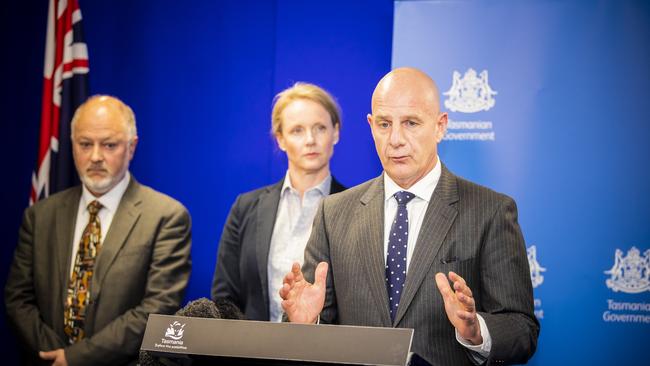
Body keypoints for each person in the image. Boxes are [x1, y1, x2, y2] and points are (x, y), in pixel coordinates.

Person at [279, 68, 539, 365]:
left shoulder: (490, 211)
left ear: (440, 126)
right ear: (371, 125)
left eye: (411, 123)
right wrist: (304, 324)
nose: (396, 139)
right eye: (384, 124)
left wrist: (476, 329)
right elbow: (312, 327)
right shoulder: (333, 212)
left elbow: (522, 330)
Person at [5, 95, 192, 366]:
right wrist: (54, 356)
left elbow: (156, 310)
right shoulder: (40, 215)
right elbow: (18, 298)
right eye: (84, 144)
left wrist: (76, 359)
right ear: (72, 145)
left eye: (109, 145)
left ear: (131, 147)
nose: (95, 156)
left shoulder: (166, 217)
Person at [212, 82, 345, 321]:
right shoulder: (246, 207)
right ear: (280, 139)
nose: (310, 140)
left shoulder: (356, 208)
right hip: (252, 353)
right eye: (297, 130)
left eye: (320, 128)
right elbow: (225, 297)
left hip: (327, 353)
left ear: (336, 132)